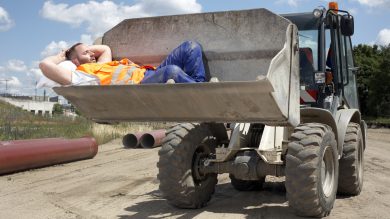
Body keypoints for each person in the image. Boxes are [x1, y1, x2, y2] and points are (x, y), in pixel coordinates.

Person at [39, 41, 206, 86]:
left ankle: (198, 85)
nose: (91, 53)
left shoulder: (101, 64)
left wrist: (81, 49)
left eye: (90, 51)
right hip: (141, 84)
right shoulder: (81, 74)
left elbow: (104, 48)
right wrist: (62, 57)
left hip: (151, 72)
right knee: (172, 71)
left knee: (190, 47)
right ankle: (203, 95)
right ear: (75, 61)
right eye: (86, 53)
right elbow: (45, 66)